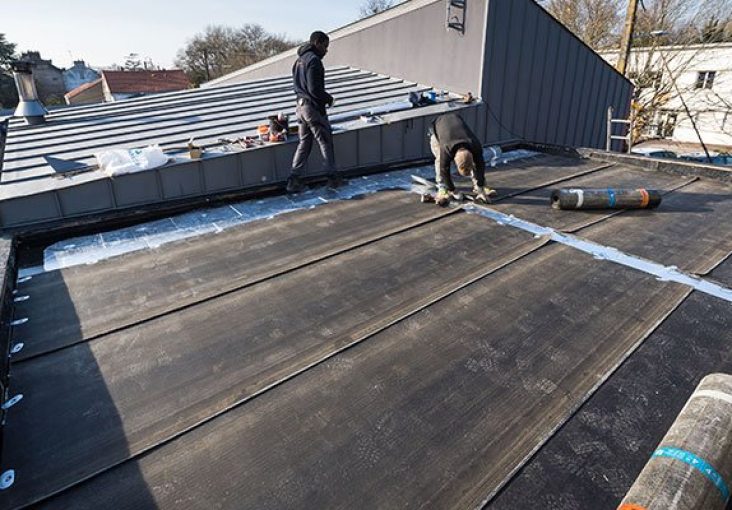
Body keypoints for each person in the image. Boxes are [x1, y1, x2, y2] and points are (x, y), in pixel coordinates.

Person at [287, 31, 341, 193]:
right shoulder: (314, 61)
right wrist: (329, 99)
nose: (326, 50)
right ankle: (333, 179)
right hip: (313, 108)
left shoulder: (298, 61)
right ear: (317, 43)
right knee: (326, 142)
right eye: (325, 46)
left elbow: (299, 87)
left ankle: (293, 180)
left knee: (305, 143)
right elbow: (315, 89)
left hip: (300, 108)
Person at [429, 113, 496, 206]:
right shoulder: (446, 149)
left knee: (477, 167)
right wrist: (452, 190)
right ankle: (442, 188)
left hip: (456, 123)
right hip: (438, 127)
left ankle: (479, 187)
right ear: (455, 161)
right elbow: (444, 169)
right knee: (440, 160)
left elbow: (480, 166)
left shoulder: (475, 145)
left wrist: (481, 188)